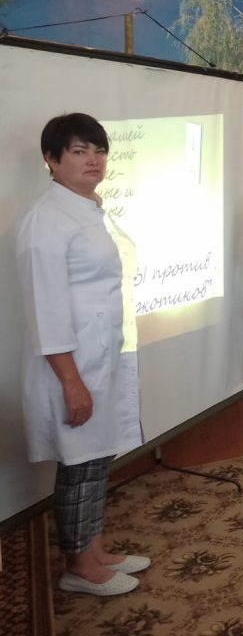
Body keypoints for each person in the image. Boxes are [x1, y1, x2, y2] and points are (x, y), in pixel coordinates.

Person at [16, 113, 148, 596]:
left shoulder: (87, 209)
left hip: (99, 358)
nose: (93, 159)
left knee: (94, 460)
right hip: (69, 367)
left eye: (99, 150)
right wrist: (71, 382)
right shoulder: (45, 221)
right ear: (51, 160)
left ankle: (94, 550)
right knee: (78, 464)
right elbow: (45, 311)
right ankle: (78, 568)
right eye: (78, 151)